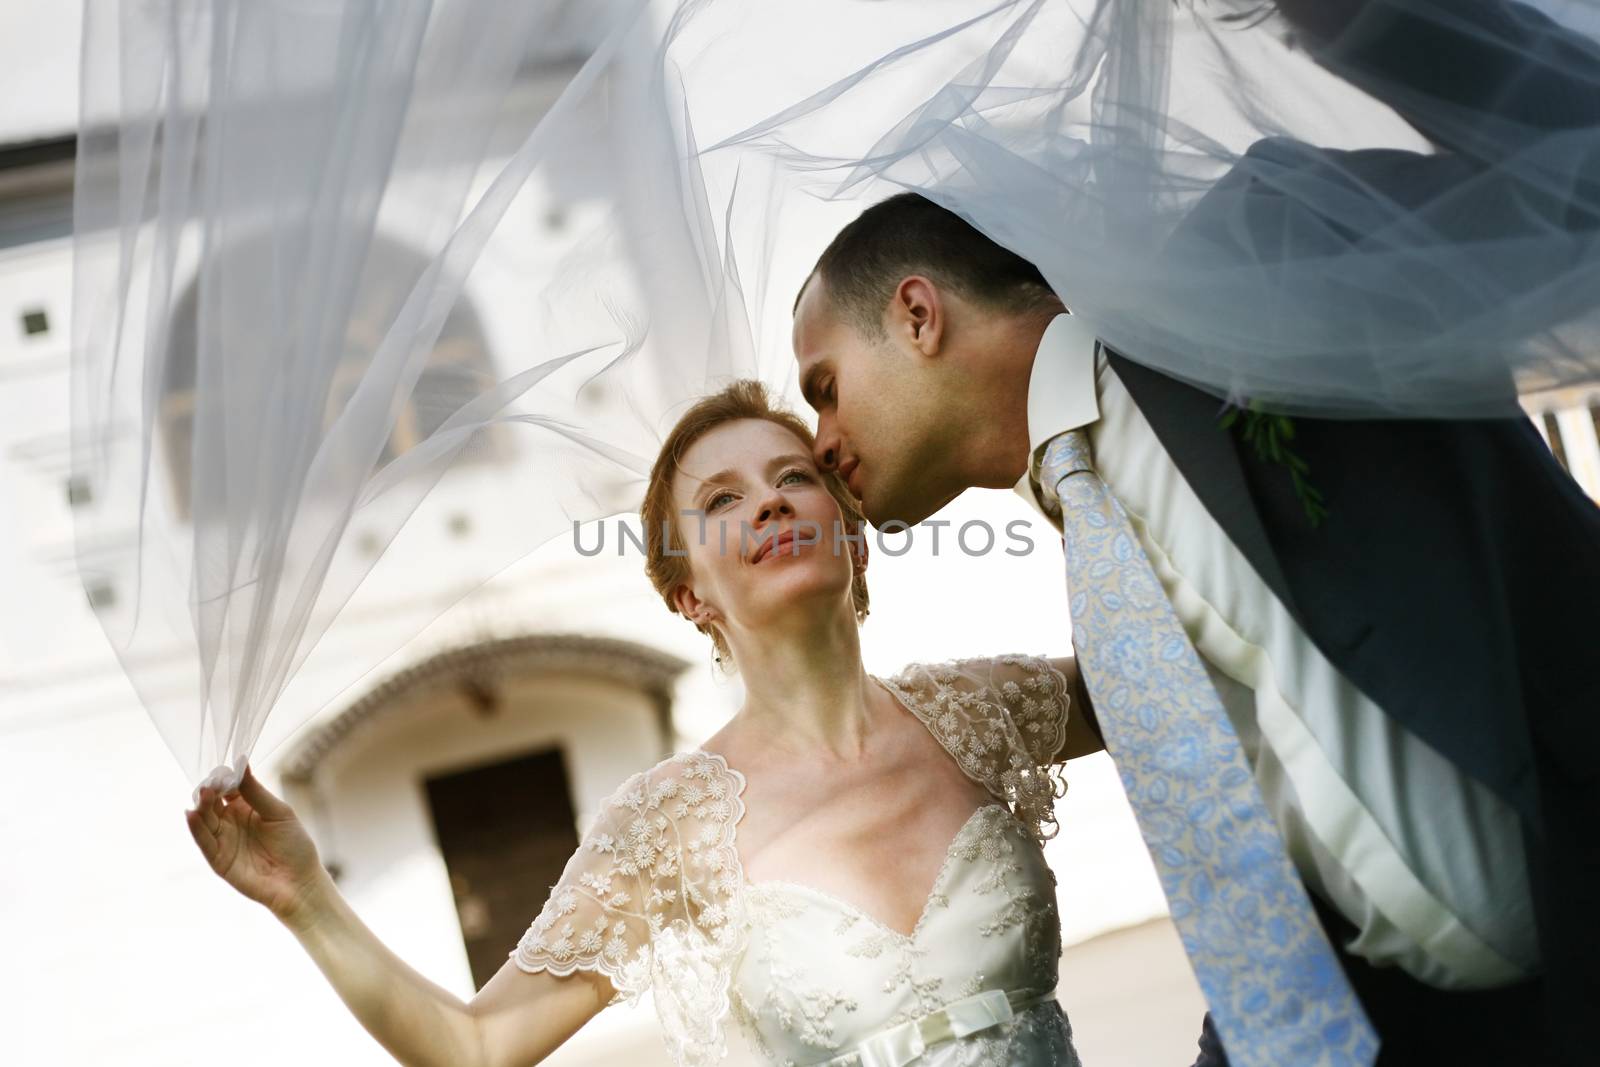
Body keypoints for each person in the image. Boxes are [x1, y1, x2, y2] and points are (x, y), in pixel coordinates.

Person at [791, 3, 1600, 1063]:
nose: (819, 442)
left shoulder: (1247, 263)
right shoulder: (1087, 551)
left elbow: (1567, 164)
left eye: (823, 388)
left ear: (915, 313)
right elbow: (1257, 863)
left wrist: (1342, 16)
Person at [186, 379, 1104, 1067]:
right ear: (689, 594)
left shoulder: (983, 713)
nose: (771, 501)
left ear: (854, 536)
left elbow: (1190, 650)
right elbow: (473, 1046)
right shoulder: (668, 825)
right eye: (722, 501)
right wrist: (305, 896)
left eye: (793, 477)